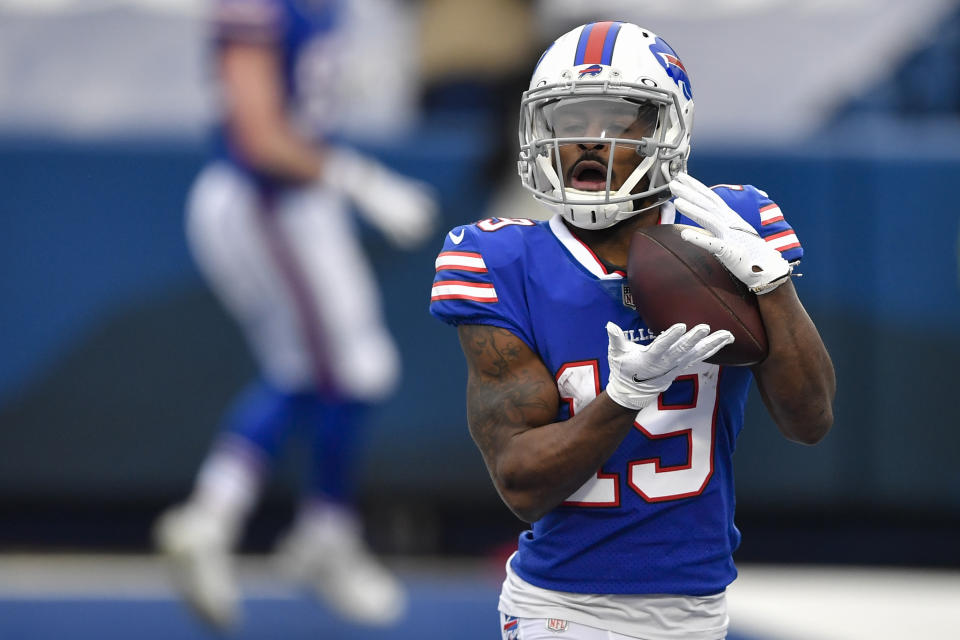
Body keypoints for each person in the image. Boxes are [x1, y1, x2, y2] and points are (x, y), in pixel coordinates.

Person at [430, 21, 835, 640]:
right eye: (569, 119)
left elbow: (811, 420)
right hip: (564, 607)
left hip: (699, 607)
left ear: (665, 130)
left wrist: (769, 282)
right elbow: (520, 481)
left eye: (617, 118)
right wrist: (624, 399)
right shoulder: (500, 261)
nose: (589, 140)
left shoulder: (734, 225)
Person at [154, 0, 437, 631]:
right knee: (350, 370)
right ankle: (318, 533)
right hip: (268, 204)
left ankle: (217, 517)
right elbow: (259, 136)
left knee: (320, 372)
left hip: (293, 207)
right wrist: (358, 179)